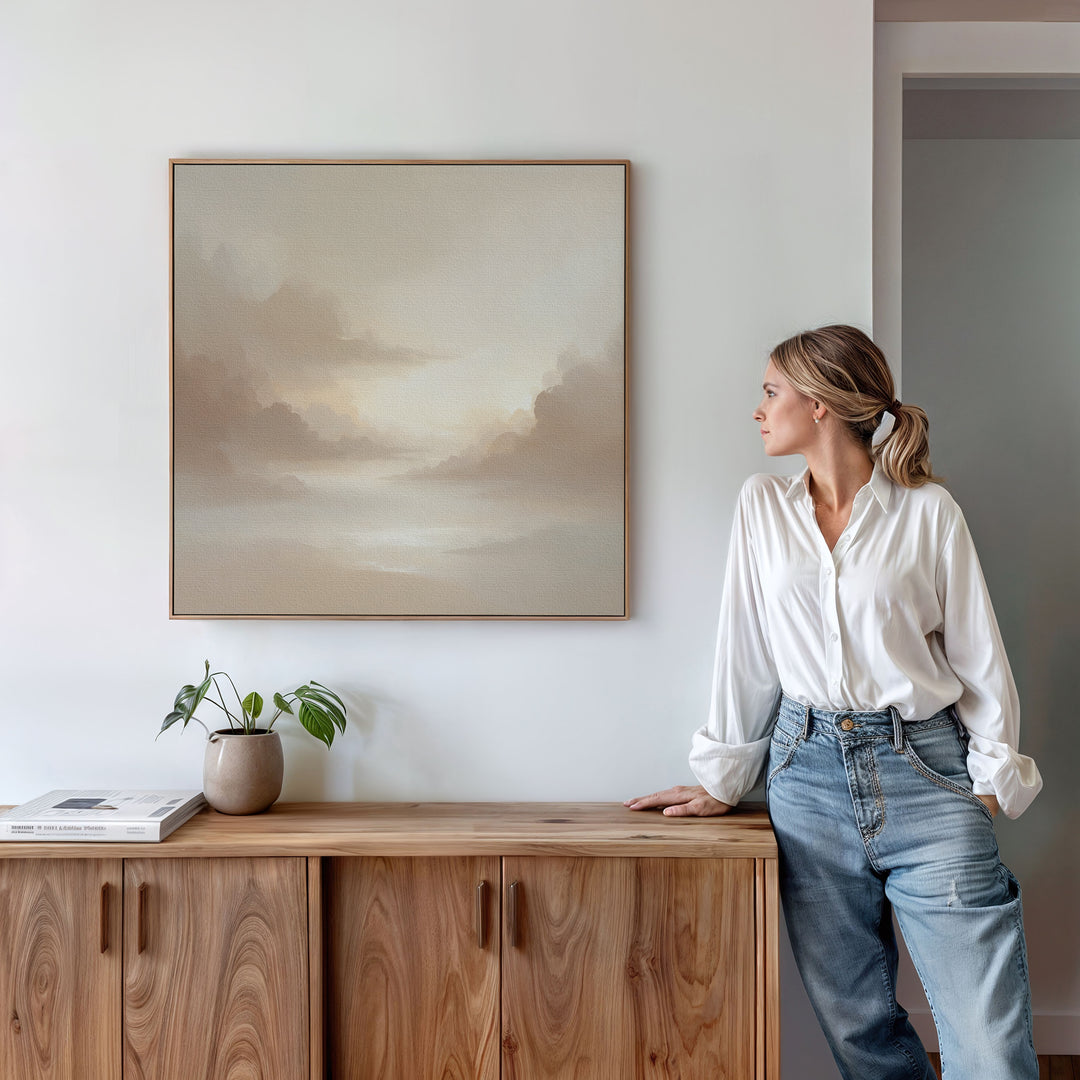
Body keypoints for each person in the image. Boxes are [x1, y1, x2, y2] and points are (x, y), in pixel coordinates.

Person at [626, 325, 1042, 1080]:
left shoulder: (928, 512)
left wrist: (987, 782)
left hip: (927, 771)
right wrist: (724, 776)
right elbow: (745, 650)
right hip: (806, 777)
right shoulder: (762, 506)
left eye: (771, 392)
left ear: (819, 404)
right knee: (859, 1031)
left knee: (988, 1041)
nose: (758, 410)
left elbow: (979, 654)